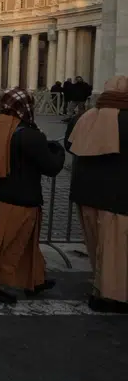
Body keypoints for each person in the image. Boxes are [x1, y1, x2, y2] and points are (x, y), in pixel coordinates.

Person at [0, 88, 65, 304]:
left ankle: (34, 280)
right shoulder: (29, 134)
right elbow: (51, 166)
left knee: (23, 244)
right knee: (5, 245)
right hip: (18, 201)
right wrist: (57, 151)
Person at [66, 75, 128, 314]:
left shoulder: (85, 117)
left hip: (86, 195)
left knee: (96, 245)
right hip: (118, 198)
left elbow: (70, 145)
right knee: (116, 250)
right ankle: (111, 295)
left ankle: (99, 287)